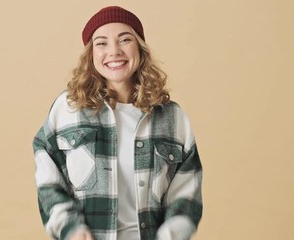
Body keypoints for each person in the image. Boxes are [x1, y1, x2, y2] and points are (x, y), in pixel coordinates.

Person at [33, 6, 203, 240]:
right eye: (101, 43)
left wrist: (171, 235)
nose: (114, 51)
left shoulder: (173, 118)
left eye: (125, 40)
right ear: (90, 55)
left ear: (140, 49)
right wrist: (70, 228)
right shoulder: (68, 109)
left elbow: (186, 194)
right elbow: (49, 179)